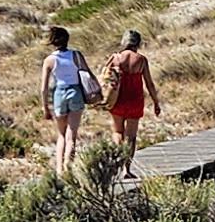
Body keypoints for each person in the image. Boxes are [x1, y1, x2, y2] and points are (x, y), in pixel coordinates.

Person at [41, 25, 97, 172]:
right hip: (76, 92)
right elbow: (88, 73)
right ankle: (68, 166)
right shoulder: (76, 55)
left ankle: (59, 170)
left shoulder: (49, 60)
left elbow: (44, 88)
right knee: (71, 135)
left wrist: (45, 107)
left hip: (59, 94)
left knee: (61, 134)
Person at [104, 29, 161, 158]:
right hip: (135, 100)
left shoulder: (115, 58)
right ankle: (127, 168)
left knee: (118, 132)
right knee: (131, 136)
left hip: (118, 99)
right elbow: (149, 83)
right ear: (138, 43)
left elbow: (105, 79)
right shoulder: (141, 60)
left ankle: (118, 161)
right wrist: (156, 102)